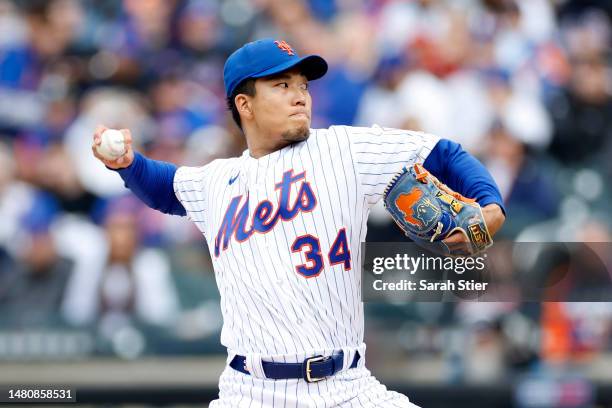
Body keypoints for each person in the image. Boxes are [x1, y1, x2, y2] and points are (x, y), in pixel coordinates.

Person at [92, 38, 505, 407]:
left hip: (347, 388)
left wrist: (490, 205)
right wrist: (127, 164)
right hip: (249, 393)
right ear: (245, 104)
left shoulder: (344, 149)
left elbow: (444, 153)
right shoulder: (216, 182)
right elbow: (165, 187)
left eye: (303, 85)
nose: (299, 96)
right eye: (282, 85)